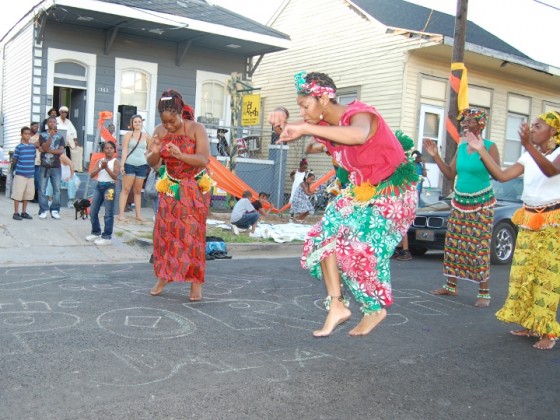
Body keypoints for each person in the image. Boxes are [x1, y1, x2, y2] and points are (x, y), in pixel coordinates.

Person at [269, 71, 418, 337]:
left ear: (324, 99)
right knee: (322, 235)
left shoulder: (360, 114)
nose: (302, 113)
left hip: (393, 192)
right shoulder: (325, 127)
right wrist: (283, 116)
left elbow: (359, 135)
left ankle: (373, 308)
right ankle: (337, 305)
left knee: (352, 248)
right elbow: (309, 143)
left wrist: (304, 128)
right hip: (360, 190)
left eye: (305, 106)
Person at [467, 112, 560, 350]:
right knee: (523, 274)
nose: (532, 129)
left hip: (552, 222)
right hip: (529, 219)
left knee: (546, 277)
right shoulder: (528, 155)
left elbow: (550, 170)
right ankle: (530, 324)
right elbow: (501, 175)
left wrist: (529, 146)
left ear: (553, 131)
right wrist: (481, 149)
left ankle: (548, 332)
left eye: (538, 126)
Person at [424, 108, 500, 307]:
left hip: (482, 203)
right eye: (464, 121)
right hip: (460, 201)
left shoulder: (490, 147)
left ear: (480, 124)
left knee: (480, 246)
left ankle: (484, 292)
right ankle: (451, 286)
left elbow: (497, 172)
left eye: (469, 121)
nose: (465, 124)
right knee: (454, 244)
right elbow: (450, 173)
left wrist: (481, 152)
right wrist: (435, 155)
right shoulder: (461, 146)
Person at [146, 89, 210, 301]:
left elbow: (203, 159)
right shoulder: (159, 131)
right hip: (171, 187)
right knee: (166, 235)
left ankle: (196, 282)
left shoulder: (196, 129)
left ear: (181, 113)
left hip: (193, 188)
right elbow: (154, 165)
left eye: (172, 122)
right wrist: (155, 151)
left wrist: (180, 155)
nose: (169, 127)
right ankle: (165, 276)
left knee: (192, 236)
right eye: (165, 123)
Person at [85, 141, 120, 246]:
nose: (109, 150)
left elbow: (115, 176)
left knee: (108, 213)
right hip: (99, 186)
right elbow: (91, 174)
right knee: (93, 211)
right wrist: (101, 167)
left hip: (109, 187)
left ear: (114, 150)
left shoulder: (115, 161)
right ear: (103, 150)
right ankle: (96, 232)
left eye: (111, 148)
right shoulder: (100, 161)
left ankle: (107, 236)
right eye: (106, 148)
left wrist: (106, 168)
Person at [118, 114, 150, 221]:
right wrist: (122, 165)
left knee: (137, 191)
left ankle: (138, 215)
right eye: (135, 121)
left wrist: (147, 158)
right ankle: (121, 214)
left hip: (142, 164)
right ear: (132, 123)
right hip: (129, 163)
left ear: (142, 123)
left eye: (139, 121)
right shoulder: (128, 135)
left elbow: (151, 149)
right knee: (126, 189)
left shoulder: (146, 136)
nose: (137, 123)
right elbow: (125, 150)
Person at [38, 116, 65, 219]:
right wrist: (50, 137)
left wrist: (46, 150)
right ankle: (43, 210)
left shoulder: (60, 137)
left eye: (54, 122)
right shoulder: (43, 135)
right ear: (47, 123)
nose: (53, 123)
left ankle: (55, 210)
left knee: (57, 189)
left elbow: (60, 151)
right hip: (44, 166)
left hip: (56, 167)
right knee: (42, 189)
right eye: (51, 121)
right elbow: (43, 147)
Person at [11, 126, 36, 220]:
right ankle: (16, 212)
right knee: (18, 193)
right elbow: (14, 160)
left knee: (27, 194)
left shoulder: (32, 147)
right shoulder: (19, 147)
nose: (27, 136)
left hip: (30, 174)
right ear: (21, 135)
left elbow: (33, 158)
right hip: (20, 174)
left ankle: (24, 212)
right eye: (25, 134)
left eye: (29, 134)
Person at [56, 106, 82, 171]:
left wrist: (75, 140)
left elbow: (73, 131)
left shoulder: (68, 121)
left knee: (78, 149)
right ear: (60, 113)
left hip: (69, 139)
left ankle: (76, 167)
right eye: (62, 112)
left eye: (65, 112)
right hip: (58, 139)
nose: (64, 114)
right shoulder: (56, 120)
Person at [30, 122, 41, 203]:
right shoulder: (26, 134)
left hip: (37, 161)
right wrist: (34, 144)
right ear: (31, 127)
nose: (36, 128)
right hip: (28, 161)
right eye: (34, 126)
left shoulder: (39, 136)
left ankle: (35, 196)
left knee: (36, 179)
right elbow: (23, 143)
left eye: (37, 127)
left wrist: (30, 143)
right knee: (29, 179)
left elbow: (39, 144)